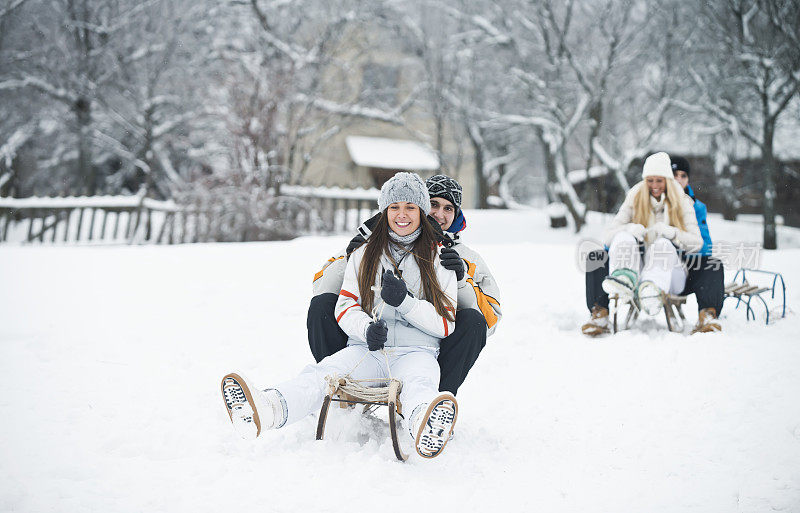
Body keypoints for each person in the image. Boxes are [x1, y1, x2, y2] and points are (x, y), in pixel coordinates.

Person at [221, 172, 459, 459]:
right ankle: (268, 408)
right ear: (384, 212)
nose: (402, 215)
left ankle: (426, 425)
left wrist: (405, 303)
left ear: (422, 212)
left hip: (416, 351)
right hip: (368, 350)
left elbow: (445, 323)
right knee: (323, 374)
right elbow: (345, 307)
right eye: (394, 207)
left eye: (410, 207)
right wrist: (366, 329)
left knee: (419, 384)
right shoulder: (364, 253)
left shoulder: (439, 257)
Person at [308, 174, 501, 395]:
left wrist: (460, 282)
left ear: (456, 214)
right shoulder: (372, 243)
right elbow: (320, 288)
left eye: (448, 208)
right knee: (321, 305)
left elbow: (490, 319)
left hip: (427, 345)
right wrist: (350, 257)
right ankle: (341, 390)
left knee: (473, 322)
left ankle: (434, 401)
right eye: (434, 204)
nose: (439, 214)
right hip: (369, 339)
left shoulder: (467, 258)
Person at [582, 155, 724, 335]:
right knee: (598, 256)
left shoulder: (687, 202)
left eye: (659, 180)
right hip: (636, 266)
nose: (655, 185)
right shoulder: (635, 196)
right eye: (650, 180)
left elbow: (700, 245)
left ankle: (705, 314)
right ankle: (600, 312)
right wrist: (629, 230)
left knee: (699, 259)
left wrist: (671, 233)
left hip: (673, 269)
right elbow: (608, 237)